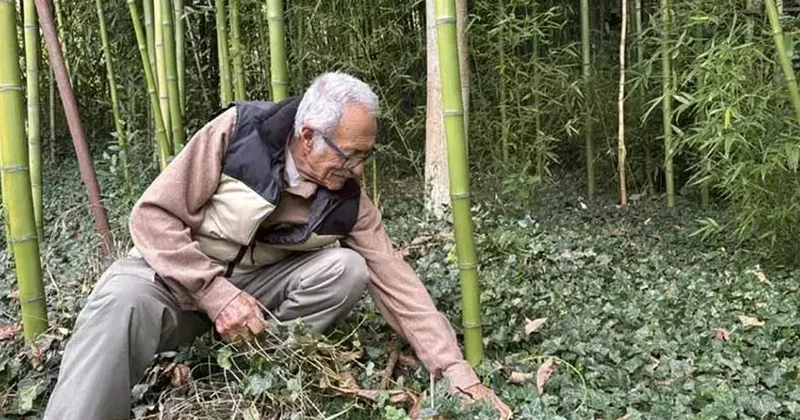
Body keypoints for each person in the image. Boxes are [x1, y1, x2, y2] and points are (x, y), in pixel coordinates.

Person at [44, 72, 511, 419]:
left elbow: (395, 278)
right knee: (118, 302)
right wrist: (214, 292)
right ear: (308, 136)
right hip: (174, 281)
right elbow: (153, 216)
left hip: (254, 306)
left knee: (349, 268)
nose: (359, 169)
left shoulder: (348, 197)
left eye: (368, 155)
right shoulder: (237, 132)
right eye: (352, 154)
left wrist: (455, 371)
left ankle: (259, 364)